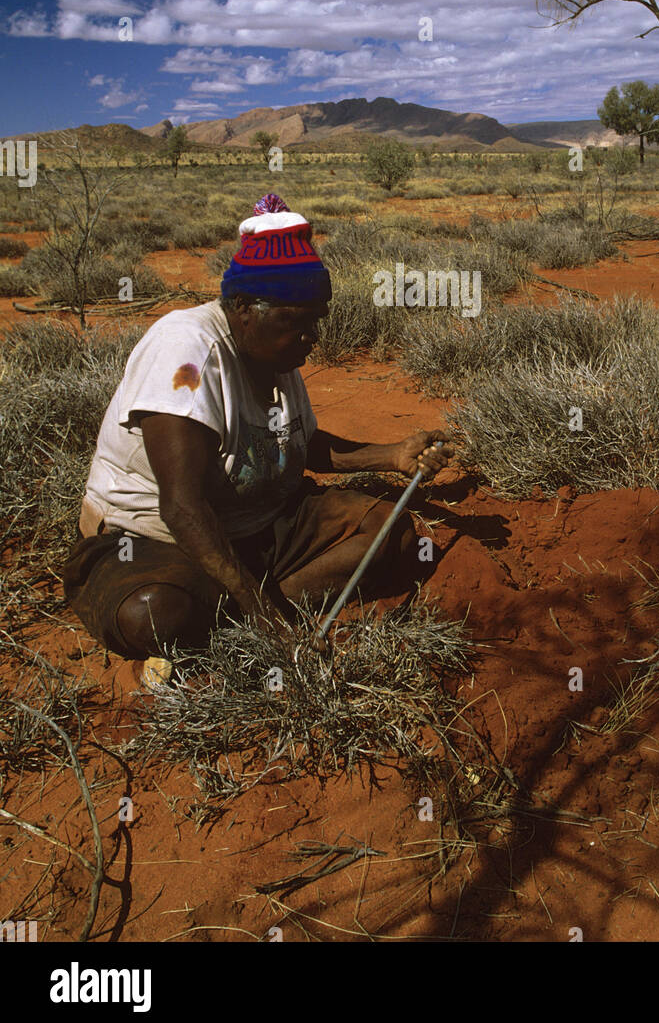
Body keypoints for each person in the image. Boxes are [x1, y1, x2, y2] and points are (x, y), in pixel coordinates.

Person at [63, 194, 451, 683]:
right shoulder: (186, 354)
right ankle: (245, 609)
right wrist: (269, 623)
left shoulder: (275, 353)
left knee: (388, 532)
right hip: (154, 539)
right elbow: (182, 508)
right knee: (153, 612)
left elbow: (299, 444)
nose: (311, 336)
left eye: (317, 320)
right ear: (243, 308)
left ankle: (234, 613)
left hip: (260, 527)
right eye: (295, 320)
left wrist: (392, 455)